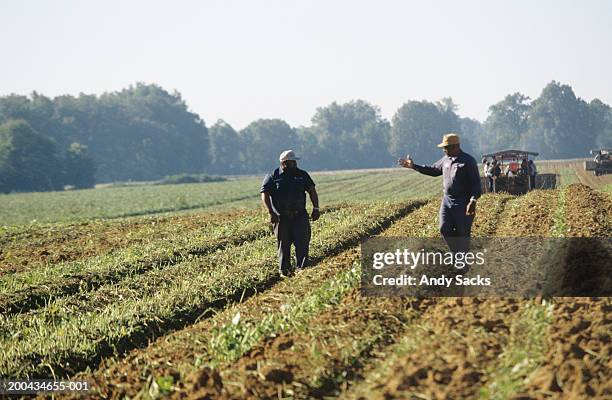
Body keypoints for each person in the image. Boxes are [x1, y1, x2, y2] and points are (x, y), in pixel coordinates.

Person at [398, 133, 481, 256]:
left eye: (446, 147)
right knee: (444, 228)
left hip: (463, 202)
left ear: (456, 147)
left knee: (462, 233)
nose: (444, 150)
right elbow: (433, 170)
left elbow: (476, 184)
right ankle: (457, 254)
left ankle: (463, 260)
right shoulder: (445, 160)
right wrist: (414, 166)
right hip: (447, 201)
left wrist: (473, 201)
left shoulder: (468, 161)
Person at [260, 150, 320, 277]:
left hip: (300, 216)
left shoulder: (302, 175)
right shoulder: (272, 176)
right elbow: (264, 195)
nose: (295, 164)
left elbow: (312, 191)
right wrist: (271, 212)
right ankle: (285, 271)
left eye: (295, 162)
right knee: (283, 245)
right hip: (281, 218)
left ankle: (302, 269)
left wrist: (316, 208)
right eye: (293, 162)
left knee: (302, 243)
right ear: (284, 163)